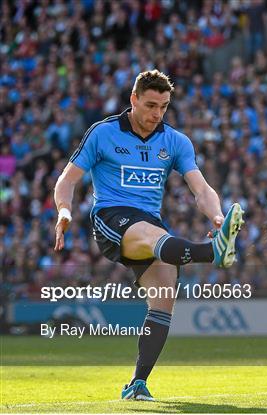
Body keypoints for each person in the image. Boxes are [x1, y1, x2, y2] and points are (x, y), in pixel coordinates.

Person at [53, 70, 244, 400]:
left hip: (150, 226)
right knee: (153, 236)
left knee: (164, 297)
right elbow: (67, 180)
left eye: (164, 107)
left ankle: (137, 384)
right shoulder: (103, 133)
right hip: (111, 219)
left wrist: (216, 216)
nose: (157, 114)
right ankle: (212, 252)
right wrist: (64, 211)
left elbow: (200, 188)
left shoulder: (175, 141)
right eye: (151, 105)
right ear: (134, 100)